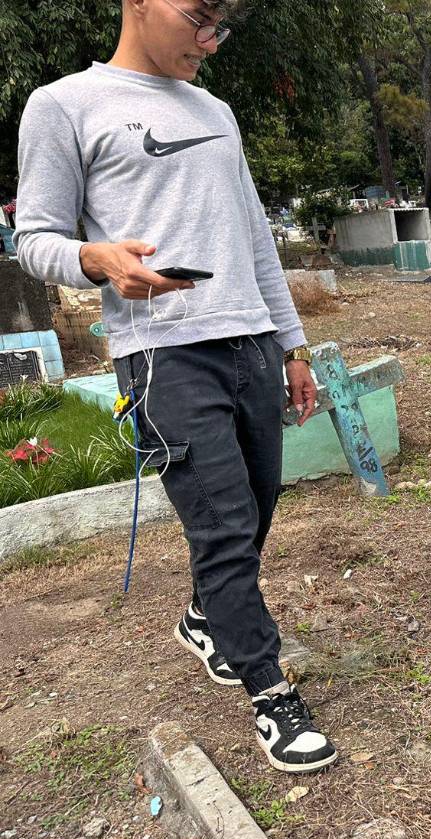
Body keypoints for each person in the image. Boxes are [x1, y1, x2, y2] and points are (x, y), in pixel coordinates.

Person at [14, 0, 338, 773]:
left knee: (257, 507)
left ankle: (204, 616)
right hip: (162, 354)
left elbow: (254, 233)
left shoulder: (218, 112)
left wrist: (293, 344)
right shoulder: (63, 104)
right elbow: (34, 238)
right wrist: (96, 261)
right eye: (199, 16)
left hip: (252, 341)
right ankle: (269, 690)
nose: (210, 40)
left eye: (222, 24)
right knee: (223, 527)